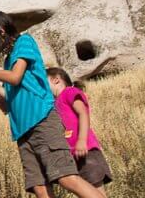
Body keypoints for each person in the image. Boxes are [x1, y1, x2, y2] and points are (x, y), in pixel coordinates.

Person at [0, 10, 104, 198]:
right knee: (39, 187)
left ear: (0, 31)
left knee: (65, 176)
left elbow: (15, 78)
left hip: (42, 121)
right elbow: (9, 100)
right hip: (23, 133)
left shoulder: (24, 43)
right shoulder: (9, 60)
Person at [47, 67, 112, 196]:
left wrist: (82, 140)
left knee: (97, 190)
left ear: (56, 80)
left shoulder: (69, 92)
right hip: (74, 154)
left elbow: (83, 113)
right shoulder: (54, 102)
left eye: (44, 83)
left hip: (86, 151)